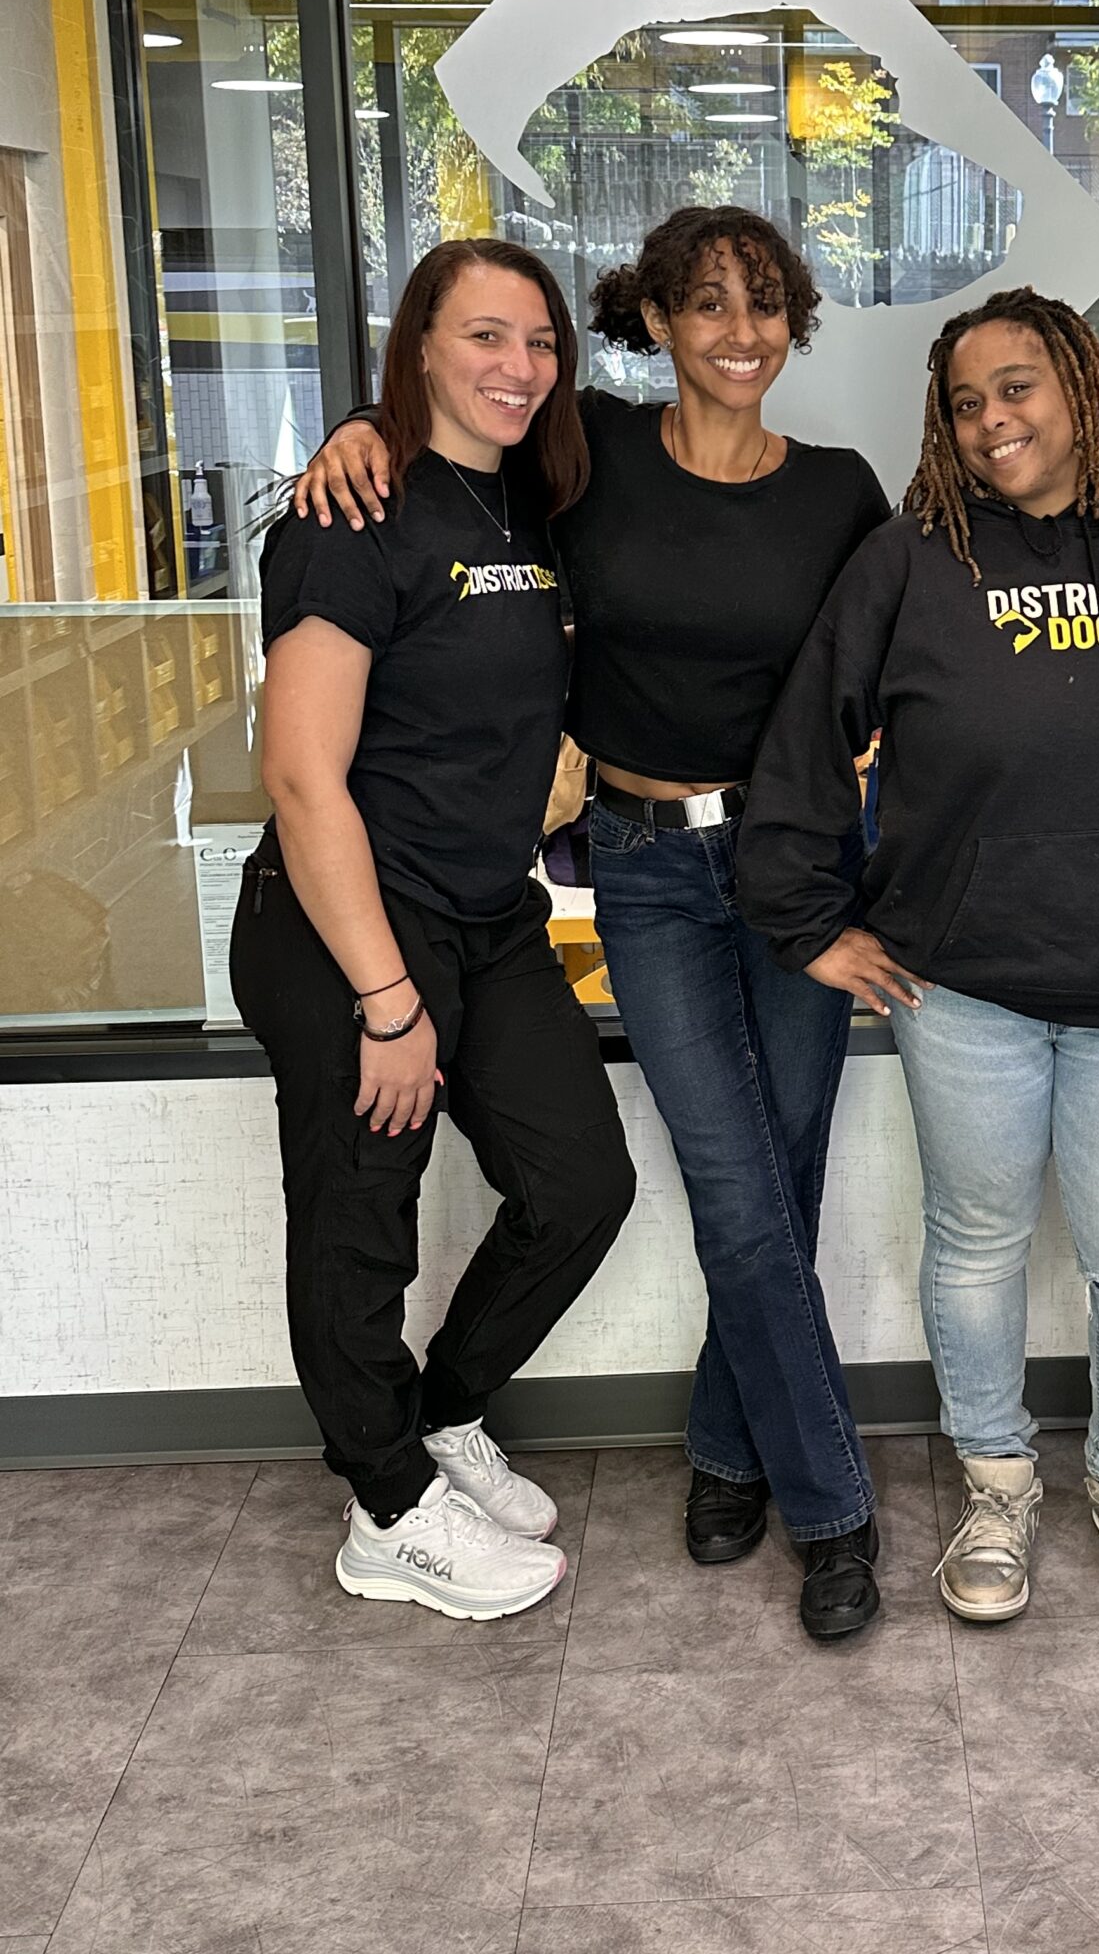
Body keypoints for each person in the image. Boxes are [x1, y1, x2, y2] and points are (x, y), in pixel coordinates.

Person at [293, 208, 892, 1640]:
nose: (740, 332)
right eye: (708, 303)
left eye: (765, 303)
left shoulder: (841, 492)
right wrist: (354, 433)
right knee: (736, 1186)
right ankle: (832, 1507)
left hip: (797, 864)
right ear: (658, 322)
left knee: (783, 1177)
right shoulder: (589, 455)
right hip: (645, 865)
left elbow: (913, 642)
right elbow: (451, 449)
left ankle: (729, 1449)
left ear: (794, 322)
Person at [737, 287, 1099, 1624]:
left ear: (1083, 389)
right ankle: (996, 1486)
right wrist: (807, 921)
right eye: (966, 401)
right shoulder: (909, 559)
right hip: (962, 990)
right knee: (976, 1252)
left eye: (1019, 386)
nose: (993, 420)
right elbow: (807, 740)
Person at [230, 238, 636, 1621]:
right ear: (418, 347)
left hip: (485, 912)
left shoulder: (536, 497)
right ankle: (388, 1507)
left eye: (540, 341)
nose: (519, 366)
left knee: (580, 1183)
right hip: (347, 925)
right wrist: (387, 1003)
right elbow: (300, 778)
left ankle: (444, 1413)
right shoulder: (351, 517)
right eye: (483, 336)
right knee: (361, 1225)